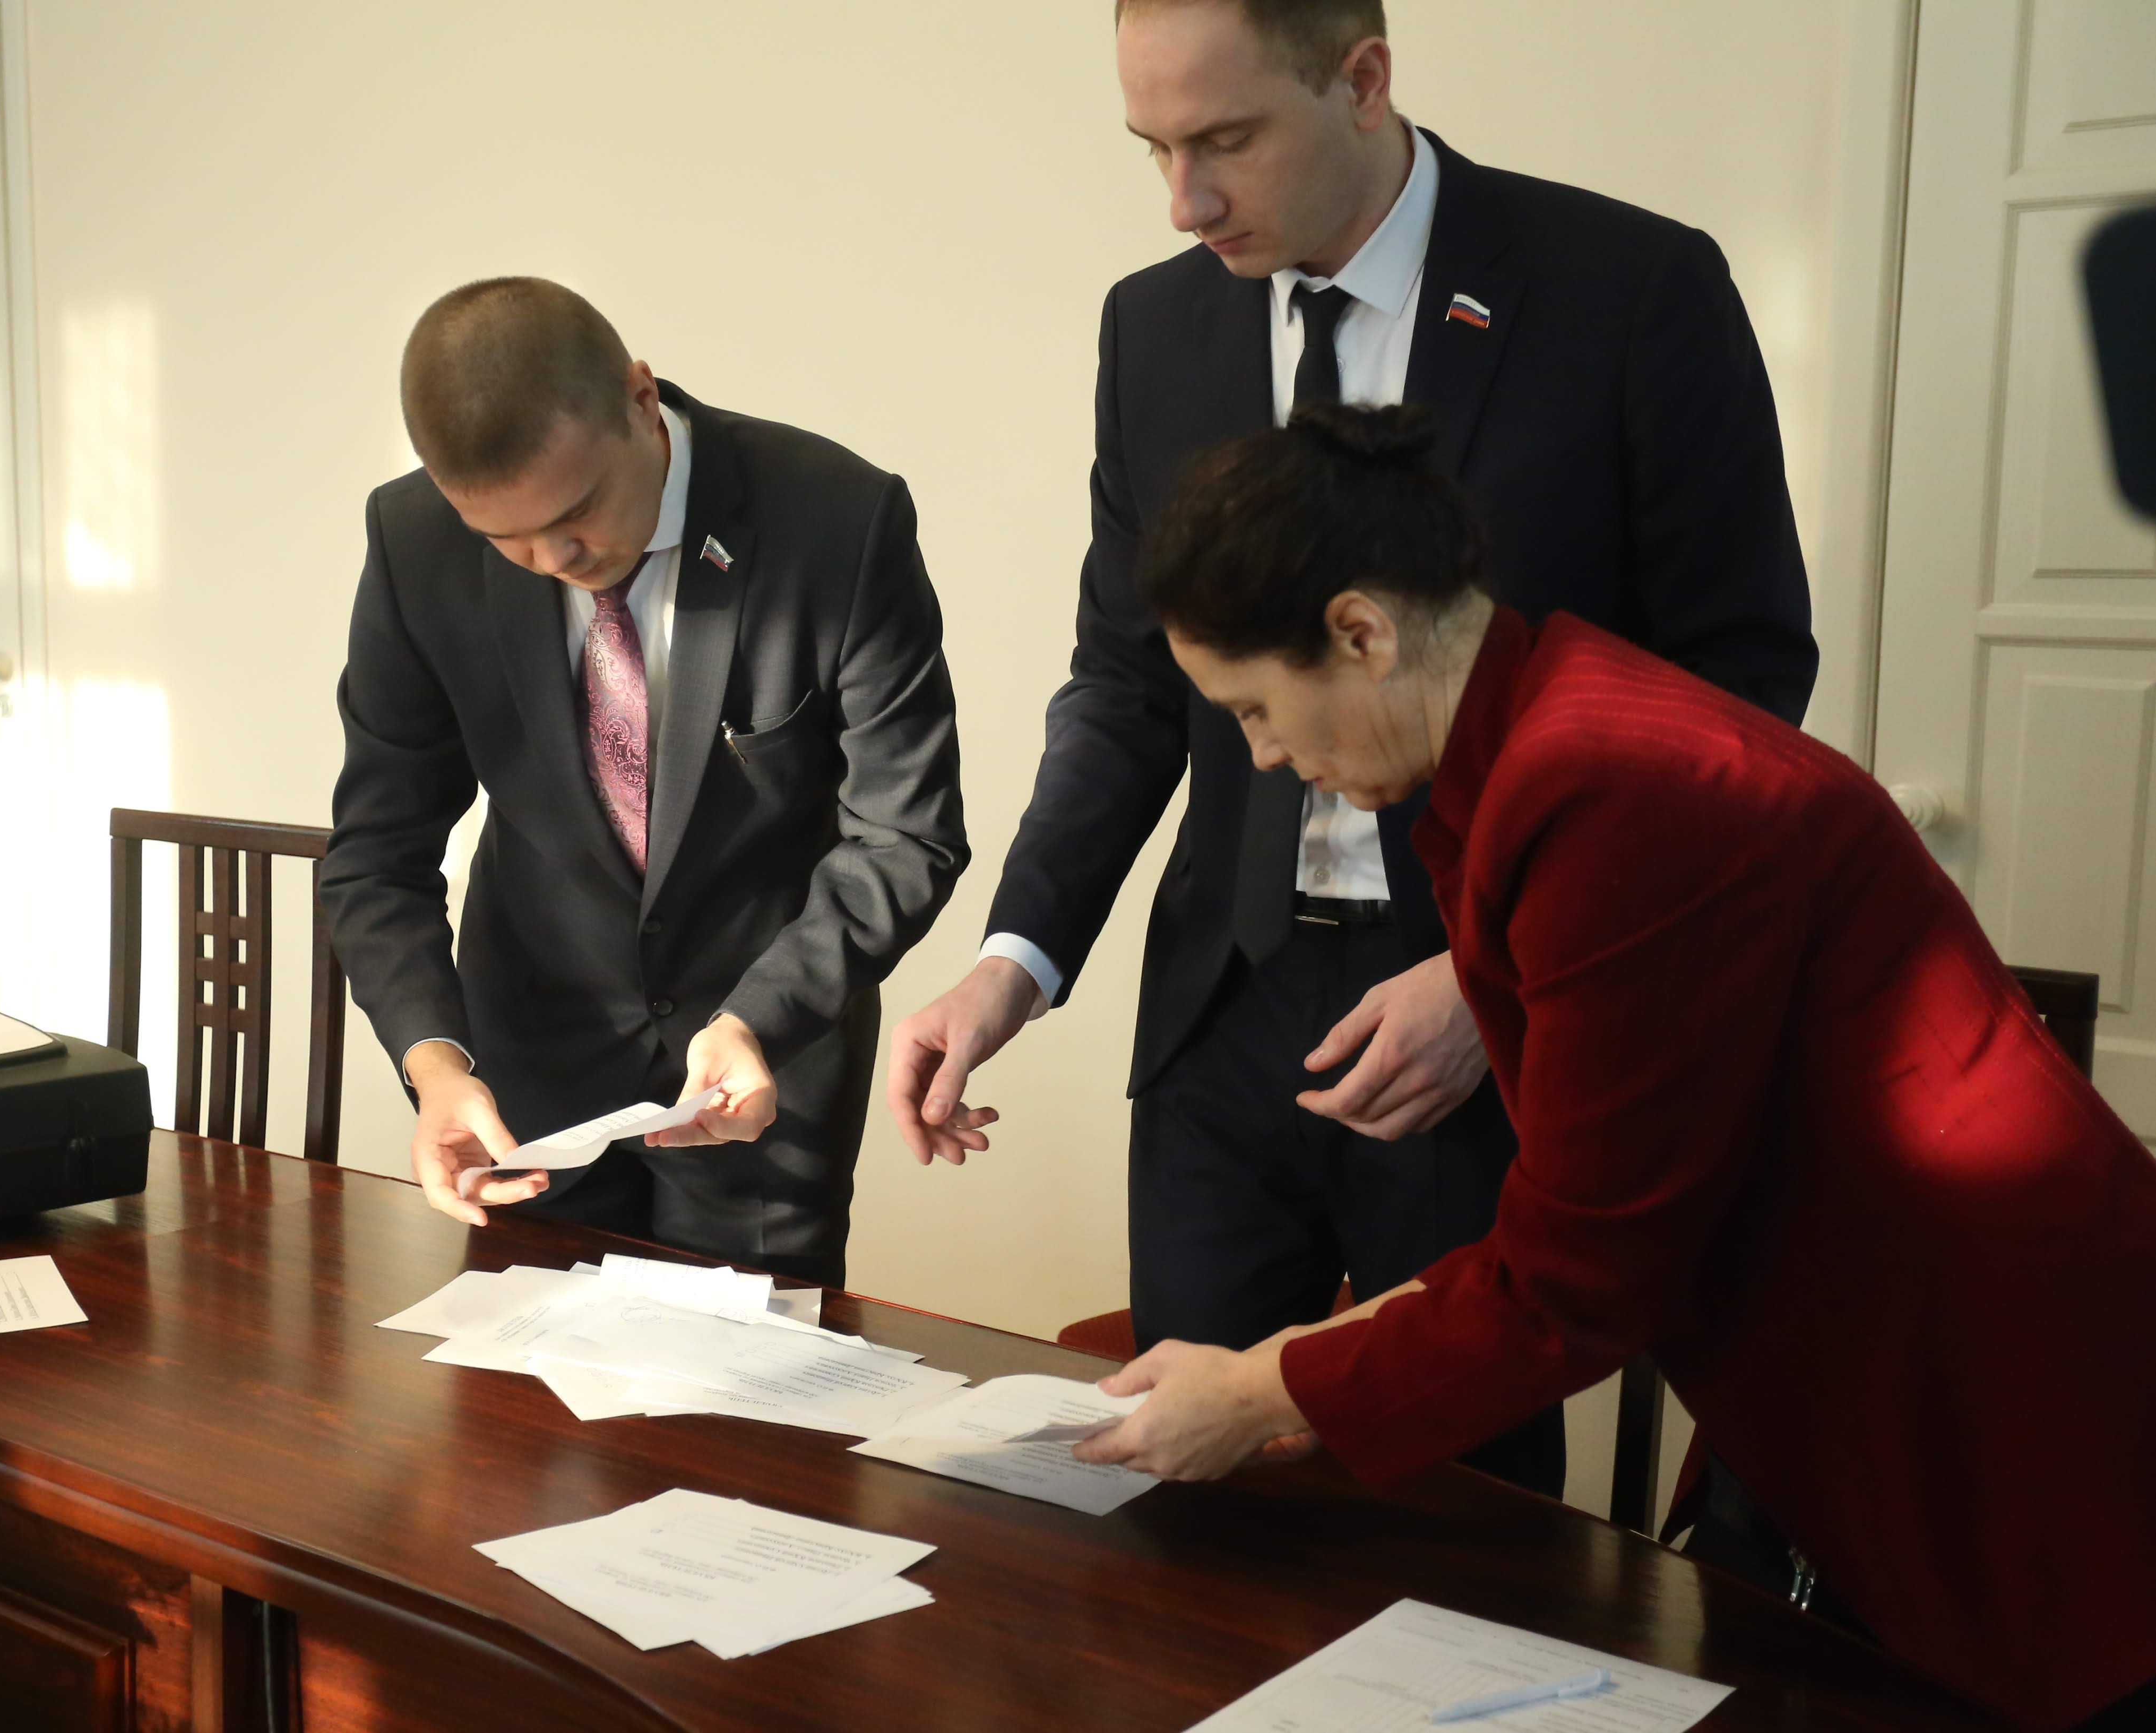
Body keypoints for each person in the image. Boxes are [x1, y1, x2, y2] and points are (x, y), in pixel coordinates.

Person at [1071, 403, 2156, 1733]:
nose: (1261, 755)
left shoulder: (1608, 788)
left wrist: (1258, 1390)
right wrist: (1297, 1363)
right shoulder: (1554, 719)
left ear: (1360, 633)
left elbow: (1579, 1276)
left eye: (1254, 707)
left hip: (2006, 1397)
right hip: (1878, 1354)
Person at [885, 0, 1818, 1500]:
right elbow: (1127, 682)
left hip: (1477, 1009)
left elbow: (1739, 682)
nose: (1185, 203)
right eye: (1152, 149)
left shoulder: (1630, 290)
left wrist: (1490, 976)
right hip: (1221, 1012)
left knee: (1455, 1509)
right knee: (1180, 1484)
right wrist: (1016, 958)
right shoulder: (1156, 325)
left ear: (1364, 80)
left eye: (1224, 141)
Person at [320, 279, 968, 1287]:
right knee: (520, 1383)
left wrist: (759, 1018)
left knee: (747, 1386)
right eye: (504, 539)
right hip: (526, 1076)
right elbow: (376, 852)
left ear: (637, 396)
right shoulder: (413, 541)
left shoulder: (836, 519)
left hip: (760, 1074)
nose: (552, 559)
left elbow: (903, 833)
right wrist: (435, 1062)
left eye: (577, 511)